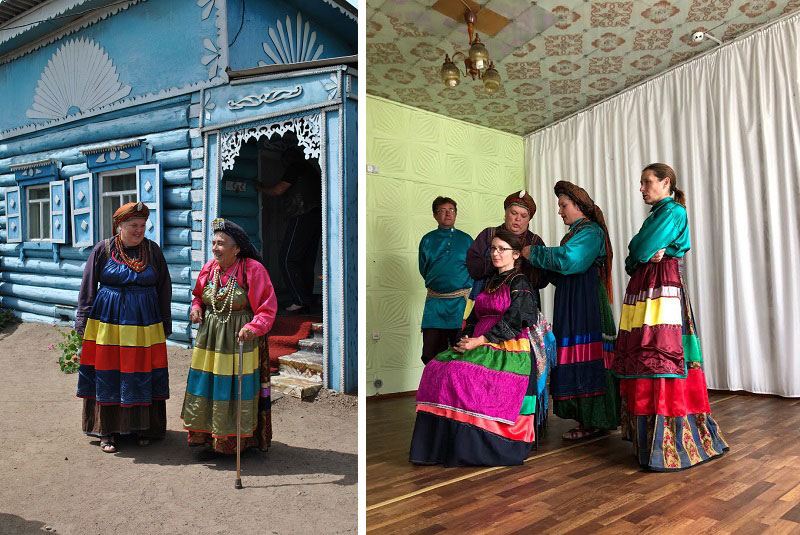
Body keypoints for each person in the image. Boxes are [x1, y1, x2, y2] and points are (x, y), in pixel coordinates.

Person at [611, 163, 728, 471]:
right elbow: (633, 253)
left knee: (660, 350)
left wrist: (640, 251)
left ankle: (667, 443)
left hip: (661, 288)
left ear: (666, 183)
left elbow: (640, 247)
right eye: (641, 182)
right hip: (646, 288)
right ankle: (647, 440)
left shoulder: (673, 212)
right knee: (643, 351)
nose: (641, 188)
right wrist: (638, 252)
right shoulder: (657, 216)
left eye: (647, 182)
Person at [409, 229, 539, 466]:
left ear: (516, 254)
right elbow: (473, 317)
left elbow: (516, 319)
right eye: (493, 249)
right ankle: (440, 447)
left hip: (506, 347)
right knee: (436, 367)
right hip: (478, 341)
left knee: (459, 374)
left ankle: (473, 445)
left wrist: (481, 340)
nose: (496, 253)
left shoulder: (520, 282)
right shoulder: (490, 281)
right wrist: (464, 338)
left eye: (502, 249)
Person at [525, 181, 620, 441]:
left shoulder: (590, 232)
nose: (560, 211)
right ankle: (586, 418)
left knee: (587, 355)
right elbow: (562, 271)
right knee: (573, 354)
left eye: (563, 205)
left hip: (587, 303)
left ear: (579, 206)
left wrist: (533, 253)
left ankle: (595, 419)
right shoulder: (576, 233)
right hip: (573, 301)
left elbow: (569, 260)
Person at [75, 202, 172, 453]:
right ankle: (107, 430)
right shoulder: (103, 250)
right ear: (119, 226)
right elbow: (87, 289)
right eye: (133, 226)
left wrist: (165, 322)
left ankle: (143, 427)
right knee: (110, 372)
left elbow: (164, 289)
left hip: (144, 324)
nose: (139, 230)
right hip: (109, 323)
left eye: (142, 225)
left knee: (141, 371)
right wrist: (82, 323)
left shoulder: (152, 251)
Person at [181, 218, 278, 455]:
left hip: (238, 339)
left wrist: (253, 328)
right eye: (213, 242)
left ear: (237, 249)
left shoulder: (252, 270)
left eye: (221, 243)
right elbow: (197, 296)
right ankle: (206, 437)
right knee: (208, 384)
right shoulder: (209, 268)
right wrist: (196, 309)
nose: (215, 248)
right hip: (209, 340)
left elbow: (267, 307)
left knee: (234, 388)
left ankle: (235, 441)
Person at [255, 148, 321, 313]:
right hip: (316, 216)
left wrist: (261, 188)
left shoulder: (295, 167)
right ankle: (306, 299)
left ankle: (299, 299)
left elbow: (278, 190)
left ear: (288, 159)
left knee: (286, 258)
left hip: (302, 214)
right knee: (306, 260)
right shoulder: (311, 169)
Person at [466, 190, 548, 310]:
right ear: (505, 213)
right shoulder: (489, 235)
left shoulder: (535, 242)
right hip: (489, 302)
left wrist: (525, 266)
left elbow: (543, 280)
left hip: (523, 304)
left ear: (529, 219)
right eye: (513, 213)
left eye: (523, 215)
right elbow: (473, 267)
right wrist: (501, 261)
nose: (518, 219)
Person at [418, 196, 473, 364]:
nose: (448, 214)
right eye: (442, 210)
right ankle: (434, 389)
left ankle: (456, 389)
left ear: (456, 214)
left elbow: (474, 269)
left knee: (462, 352)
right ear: (435, 215)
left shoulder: (467, 240)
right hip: (435, 304)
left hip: (461, 305)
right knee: (431, 353)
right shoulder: (427, 240)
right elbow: (423, 268)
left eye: (451, 210)